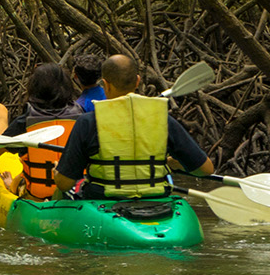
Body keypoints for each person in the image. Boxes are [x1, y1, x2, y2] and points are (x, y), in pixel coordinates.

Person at [54, 55, 214, 199]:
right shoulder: (163, 119)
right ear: (138, 81)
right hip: (156, 199)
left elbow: (65, 184)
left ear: (105, 85)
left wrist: (57, 174)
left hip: (104, 200)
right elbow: (206, 169)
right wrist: (172, 162)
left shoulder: (88, 122)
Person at [0, 63, 83, 200]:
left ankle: (12, 186)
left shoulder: (25, 121)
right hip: (74, 191)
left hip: (36, 196)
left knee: (18, 178)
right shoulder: (82, 117)